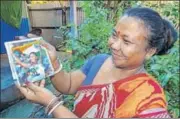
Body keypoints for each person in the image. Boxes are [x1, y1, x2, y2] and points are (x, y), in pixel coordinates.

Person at [16, 7, 177, 118]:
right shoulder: (100, 61)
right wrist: (53, 62)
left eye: (126, 42)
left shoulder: (148, 96)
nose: (113, 44)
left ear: (149, 51)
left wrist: (51, 103)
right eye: (114, 35)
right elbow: (69, 84)